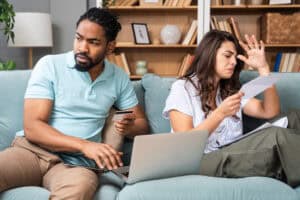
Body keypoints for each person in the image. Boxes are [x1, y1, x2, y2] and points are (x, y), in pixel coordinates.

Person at [0, 7, 149, 199]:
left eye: (93, 42)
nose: (82, 48)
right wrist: (85, 145)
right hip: (32, 153)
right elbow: (33, 127)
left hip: (77, 165)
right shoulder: (50, 65)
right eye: (79, 38)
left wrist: (128, 127)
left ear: (110, 46)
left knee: (79, 189)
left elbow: (142, 125)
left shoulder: (119, 77)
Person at [163, 30, 300, 187]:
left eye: (235, 57)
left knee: (294, 117)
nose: (234, 62)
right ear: (209, 54)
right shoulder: (182, 88)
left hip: (233, 150)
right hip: (198, 160)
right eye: (227, 56)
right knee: (276, 136)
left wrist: (264, 70)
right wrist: (220, 114)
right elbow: (184, 144)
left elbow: (269, 111)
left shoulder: (229, 89)